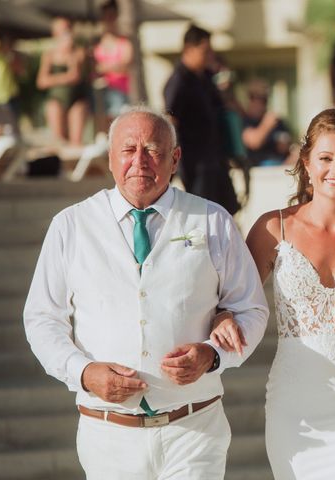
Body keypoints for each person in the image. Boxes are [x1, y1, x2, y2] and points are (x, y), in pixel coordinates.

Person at [23, 106, 268, 479]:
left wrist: (213, 356)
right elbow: (42, 318)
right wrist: (84, 372)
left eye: (152, 149)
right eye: (128, 149)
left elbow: (250, 309)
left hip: (194, 427)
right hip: (107, 434)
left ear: (175, 158)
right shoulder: (71, 226)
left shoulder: (213, 220)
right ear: (110, 158)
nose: (140, 161)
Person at [211, 108, 335, 479]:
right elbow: (234, 298)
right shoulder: (273, 228)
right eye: (326, 158)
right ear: (306, 163)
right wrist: (222, 316)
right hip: (295, 402)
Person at [163, 24, 240, 215]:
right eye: (204, 50)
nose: (209, 55)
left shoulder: (206, 77)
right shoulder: (178, 81)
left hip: (216, 159)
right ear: (189, 49)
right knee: (203, 214)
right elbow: (170, 120)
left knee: (227, 211)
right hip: (196, 164)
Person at [36, 17, 89, 146]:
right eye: (62, 30)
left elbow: (76, 75)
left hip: (77, 99)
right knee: (59, 140)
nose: (66, 33)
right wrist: (64, 77)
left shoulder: (79, 52)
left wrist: (70, 55)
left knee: (76, 142)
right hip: (56, 99)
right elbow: (41, 82)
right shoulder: (49, 55)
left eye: (68, 29)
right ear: (55, 34)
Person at [93, 0, 133, 123]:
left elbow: (126, 65)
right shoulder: (96, 43)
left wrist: (103, 68)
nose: (108, 19)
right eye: (106, 16)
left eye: (111, 15)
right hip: (100, 93)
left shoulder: (124, 42)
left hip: (119, 92)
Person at [241, 78, 293, 167]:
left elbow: (286, 145)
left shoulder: (277, 122)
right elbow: (254, 142)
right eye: (257, 99)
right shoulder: (245, 121)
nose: (261, 104)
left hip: (280, 167)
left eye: (264, 100)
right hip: (258, 169)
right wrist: (266, 125)